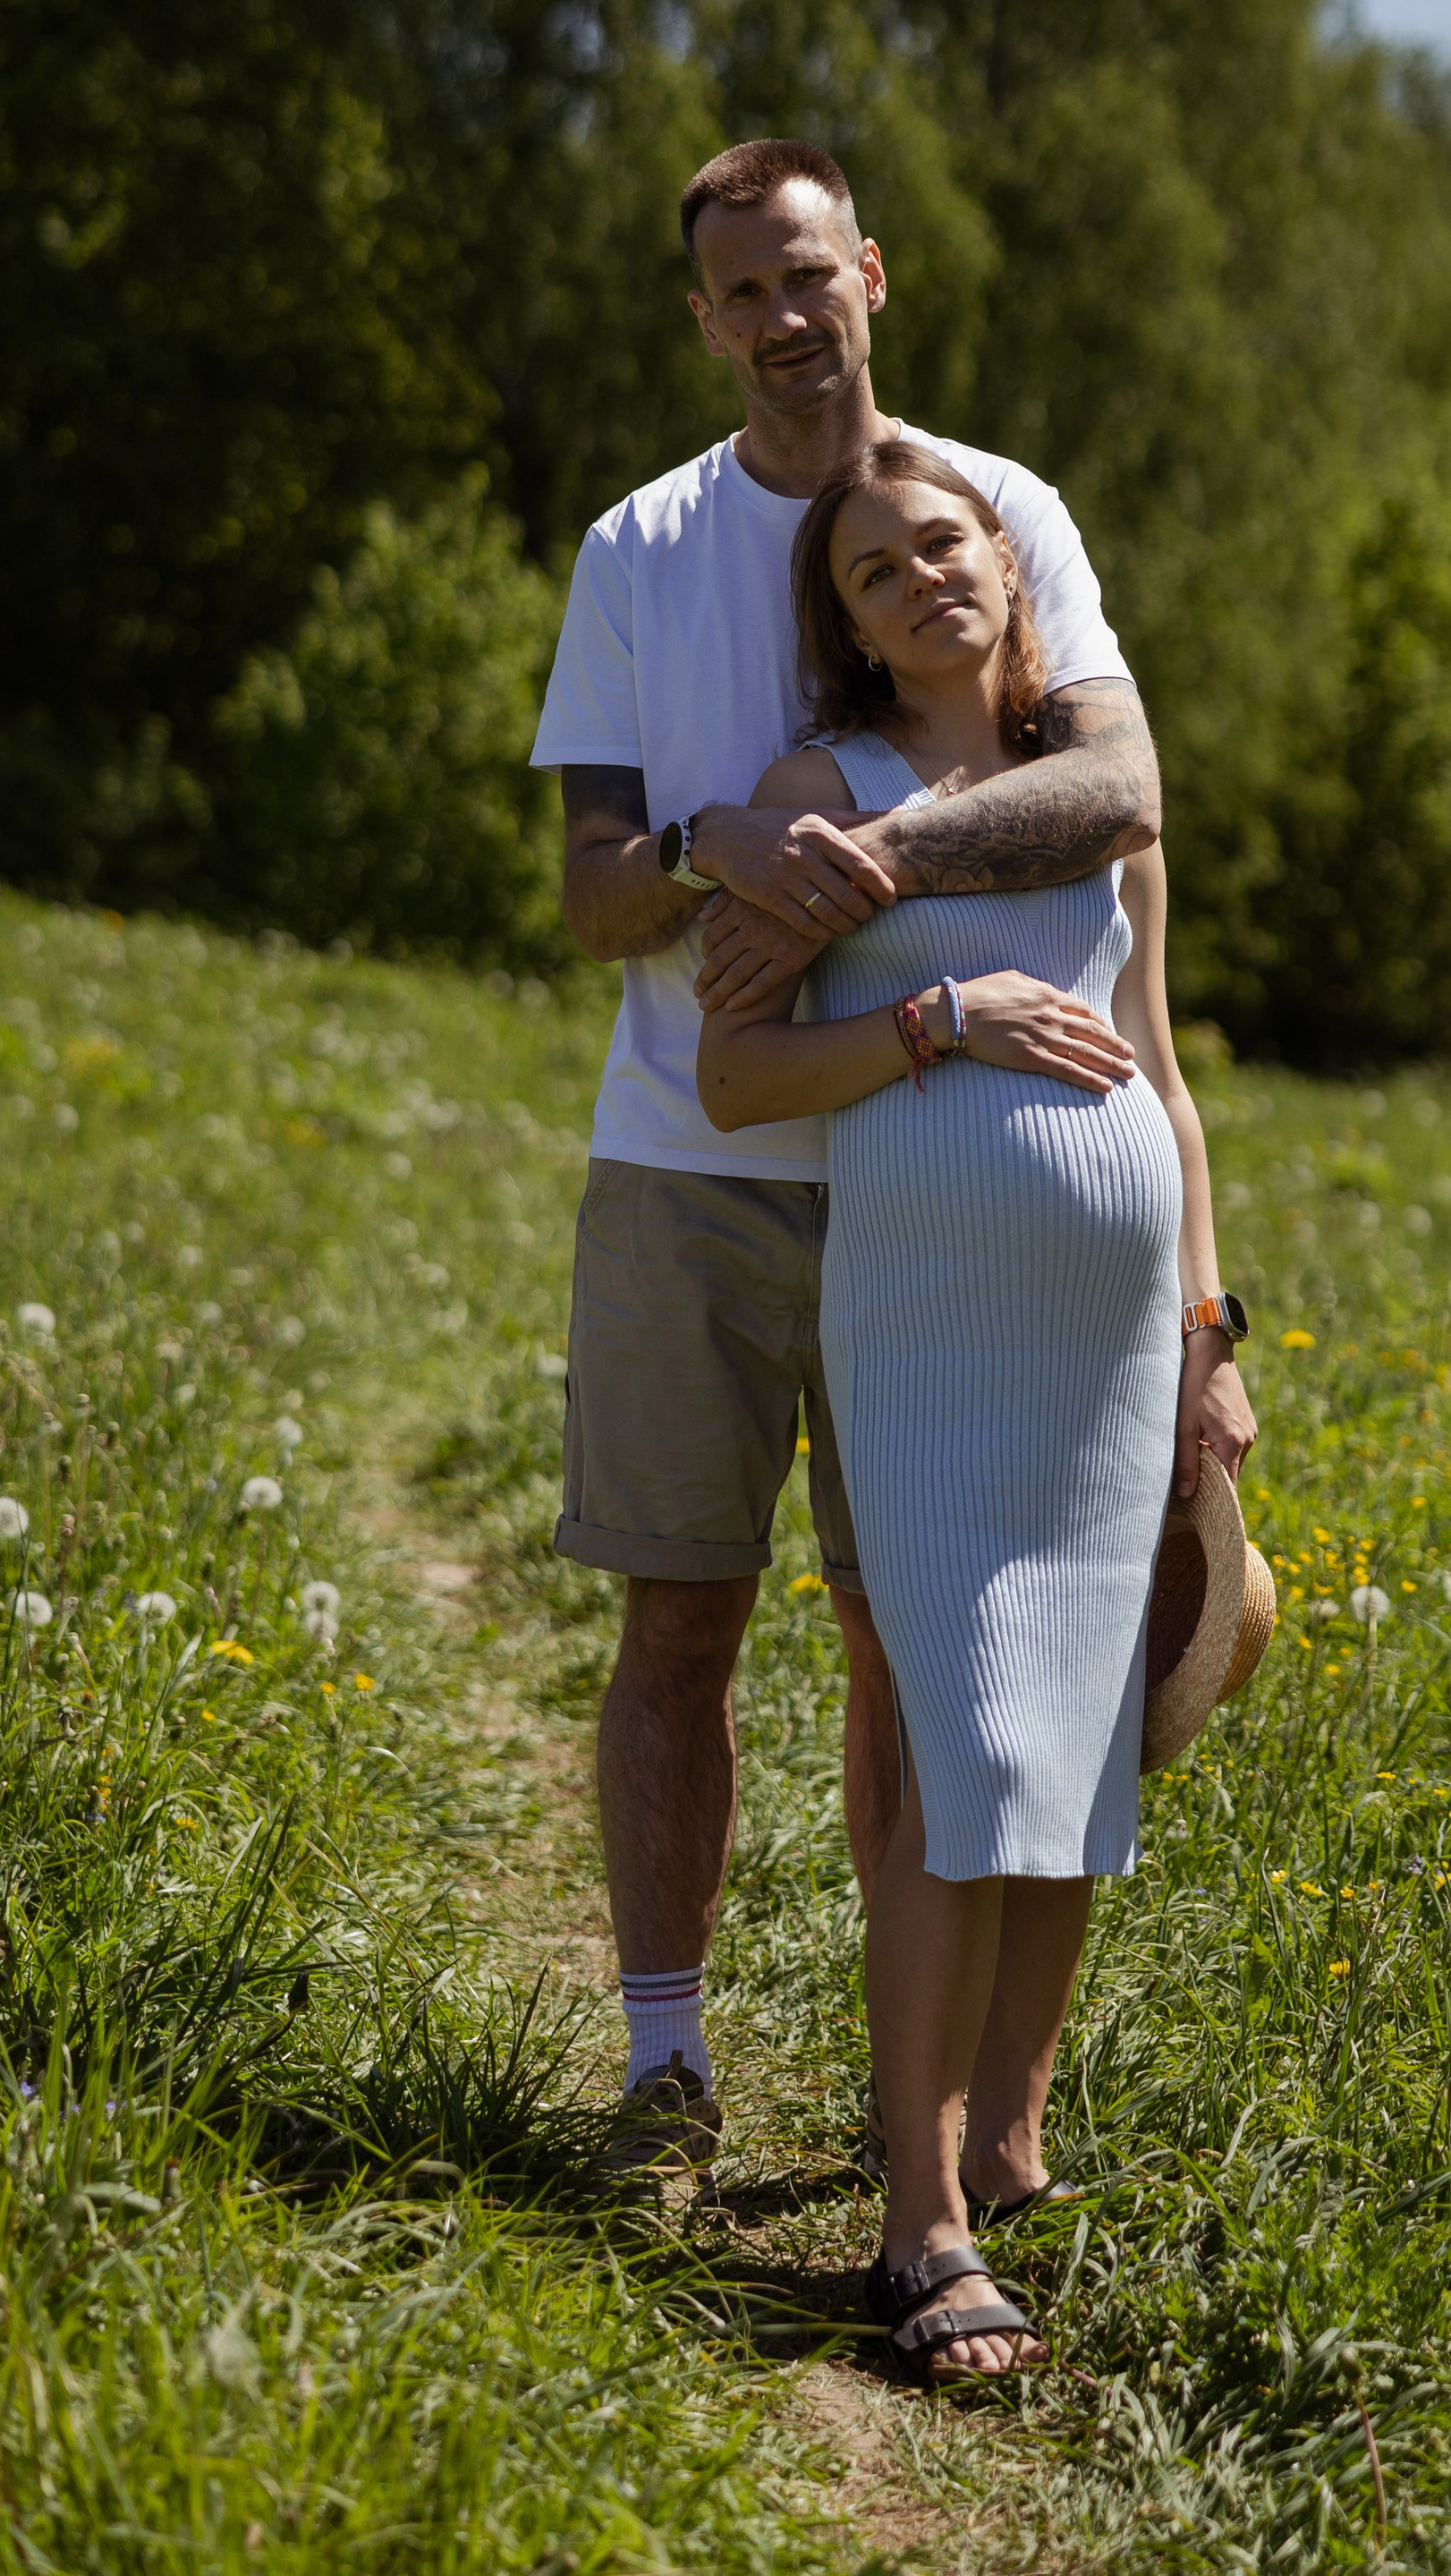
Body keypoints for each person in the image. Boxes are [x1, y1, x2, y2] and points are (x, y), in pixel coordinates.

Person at [529, 137, 1254, 2179]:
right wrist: (703, 853)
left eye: (807, 273)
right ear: (704, 318)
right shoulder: (636, 548)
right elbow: (593, 897)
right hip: (700, 1158)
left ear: (873, 275)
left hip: (943, 1205)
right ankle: (664, 2061)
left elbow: (1114, 789)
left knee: (905, 1636)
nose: (781, 313)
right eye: (738, 287)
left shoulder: (1000, 505)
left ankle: (915, 2115)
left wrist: (848, 874)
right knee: (677, 1614)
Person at [698, 437, 1259, 2378]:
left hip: (1112, 1337)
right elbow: (738, 1077)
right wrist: (938, 1018)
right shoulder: (819, 796)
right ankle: (913, 2223)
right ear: (844, 629)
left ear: (1010, 569)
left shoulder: (1099, 803)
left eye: (948, 542)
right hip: (928, 1326)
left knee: (1072, 1755)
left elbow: (1168, 1079)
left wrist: (1209, 1326)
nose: (923, 576)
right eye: (876, 570)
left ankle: (1009, 2153)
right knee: (953, 1753)